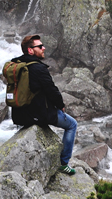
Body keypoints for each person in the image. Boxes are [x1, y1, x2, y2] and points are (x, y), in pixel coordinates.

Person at [10, 34, 78, 175]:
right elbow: (52, 91)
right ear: (30, 50)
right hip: (37, 114)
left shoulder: (17, 65)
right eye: (40, 46)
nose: (43, 48)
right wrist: (61, 106)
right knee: (72, 125)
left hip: (19, 114)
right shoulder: (38, 68)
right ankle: (64, 163)